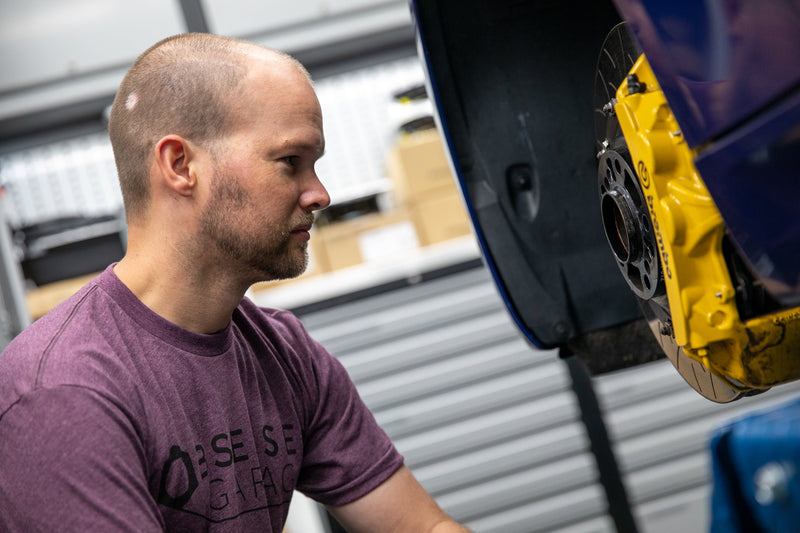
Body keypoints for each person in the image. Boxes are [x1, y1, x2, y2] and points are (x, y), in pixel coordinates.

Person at [0, 33, 469, 532]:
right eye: (290, 162)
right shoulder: (64, 392)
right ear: (181, 165)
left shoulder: (284, 353)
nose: (320, 194)